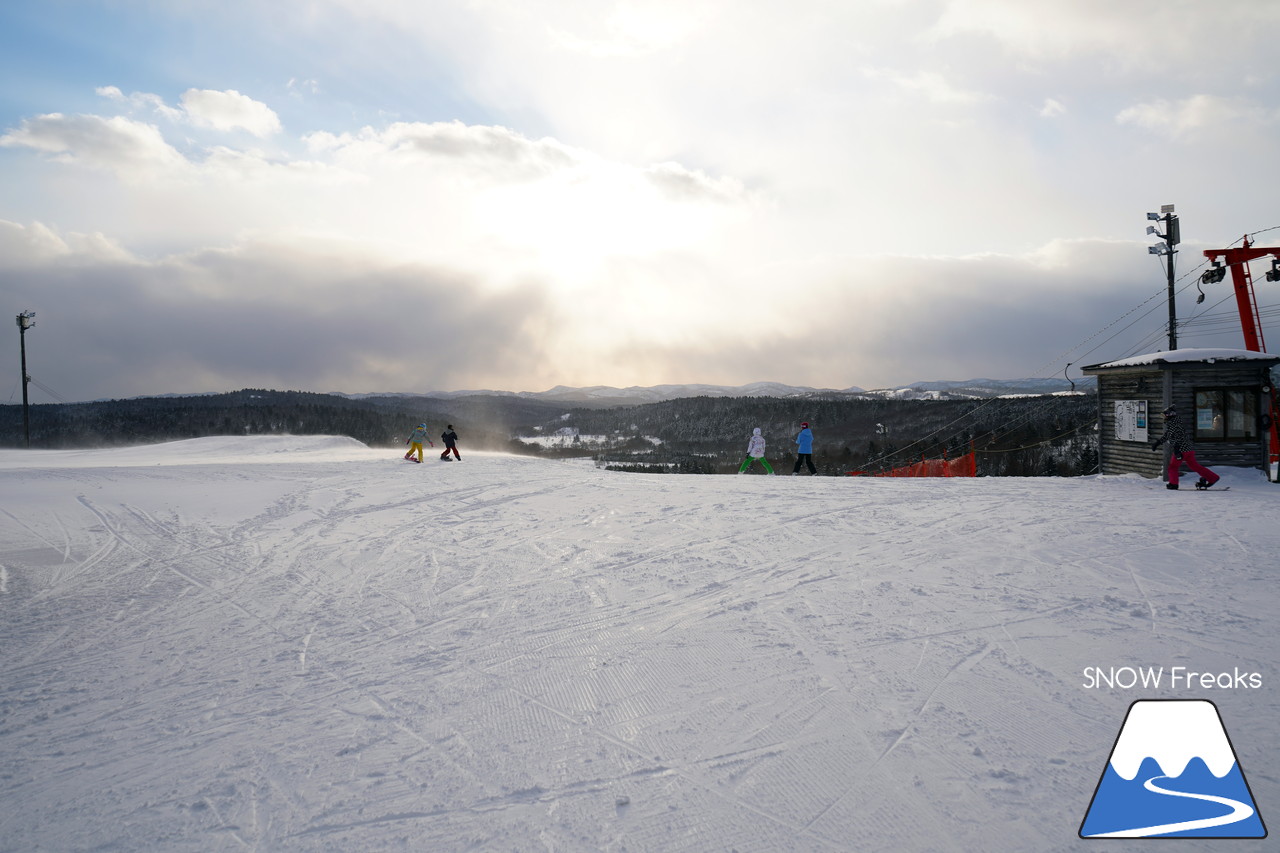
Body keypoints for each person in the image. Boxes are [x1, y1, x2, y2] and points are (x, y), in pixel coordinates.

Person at [1151, 405, 1219, 490]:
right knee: (1195, 466)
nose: (1163, 418)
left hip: (1181, 450)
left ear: (1169, 415)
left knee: (1173, 467)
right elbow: (1167, 435)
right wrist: (1157, 443)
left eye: (1164, 416)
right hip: (1188, 450)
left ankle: (1173, 484)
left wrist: (1177, 450)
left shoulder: (1173, 424)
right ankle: (1212, 478)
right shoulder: (1175, 423)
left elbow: (1178, 437)